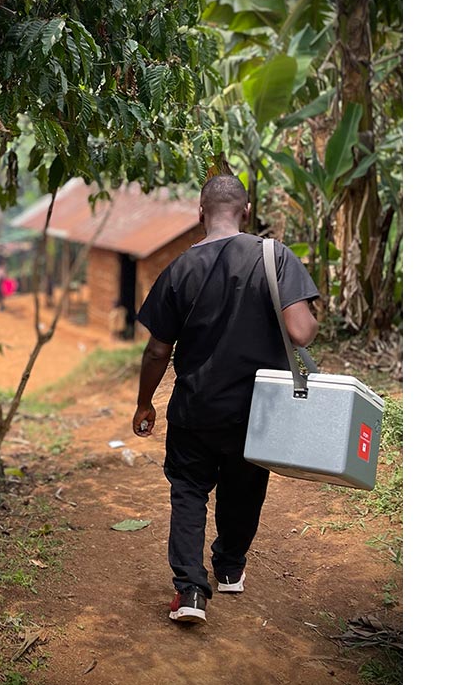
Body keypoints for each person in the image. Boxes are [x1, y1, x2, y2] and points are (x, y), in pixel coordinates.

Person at [132, 174, 319, 625]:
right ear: (247, 210)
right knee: (245, 487)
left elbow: (159, 349)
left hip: (194, 408)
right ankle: (230, 567)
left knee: (189, 492)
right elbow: (302, 332)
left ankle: (191, 591)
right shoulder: (275, 257)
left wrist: (144, 403)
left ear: (200, 214)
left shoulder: (179, 269)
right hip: (257, 412)